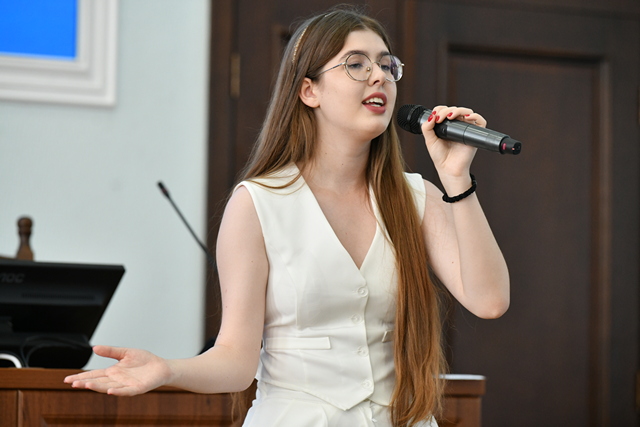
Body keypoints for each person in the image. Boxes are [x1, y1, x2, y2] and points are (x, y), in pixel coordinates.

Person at [64, 6, 509, 427]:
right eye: (356, 64)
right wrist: (168, 369)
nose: (379, 76)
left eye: (386, 65)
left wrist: (456, 177)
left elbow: (489, 301)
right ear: (308, 90)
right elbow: (236, 361)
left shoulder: (416, 197)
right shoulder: (258, 203)